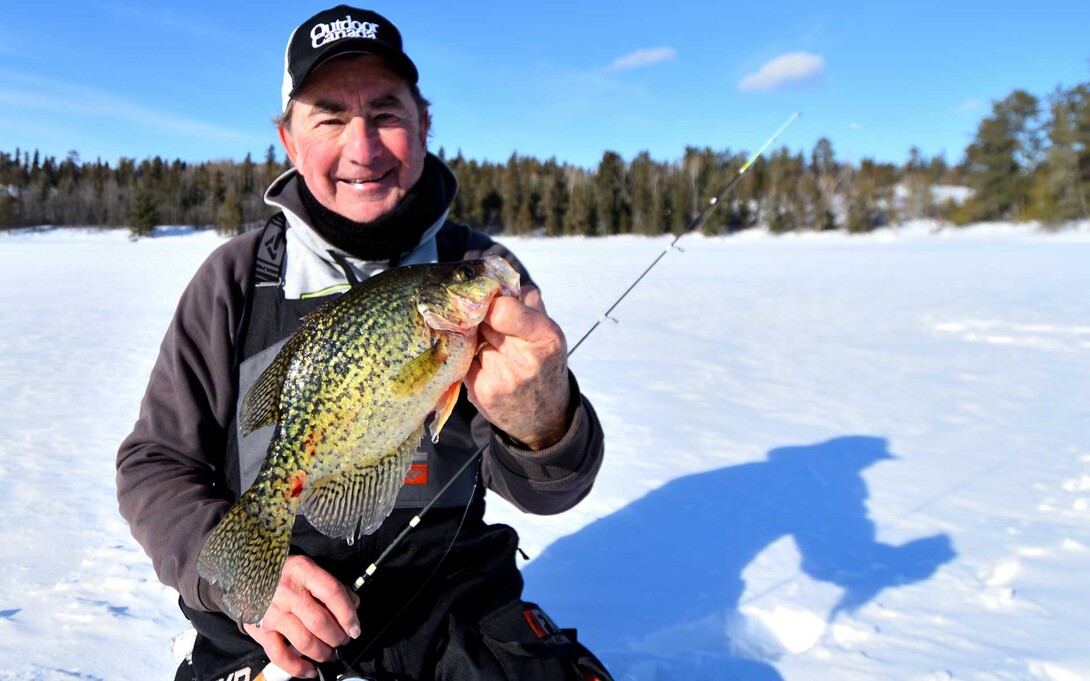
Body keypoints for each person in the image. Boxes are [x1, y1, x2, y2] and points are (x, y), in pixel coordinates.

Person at [116, 6, 612, 680]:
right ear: (288, 139)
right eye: (329, 117)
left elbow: (553, 491)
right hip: (271, 627)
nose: (364, 148)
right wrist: (242, 584)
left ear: (422, 124)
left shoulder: (483, 269)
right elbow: (154, 463)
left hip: (453, 609)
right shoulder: (234, 280)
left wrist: (544, 421)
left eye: (385, 113)